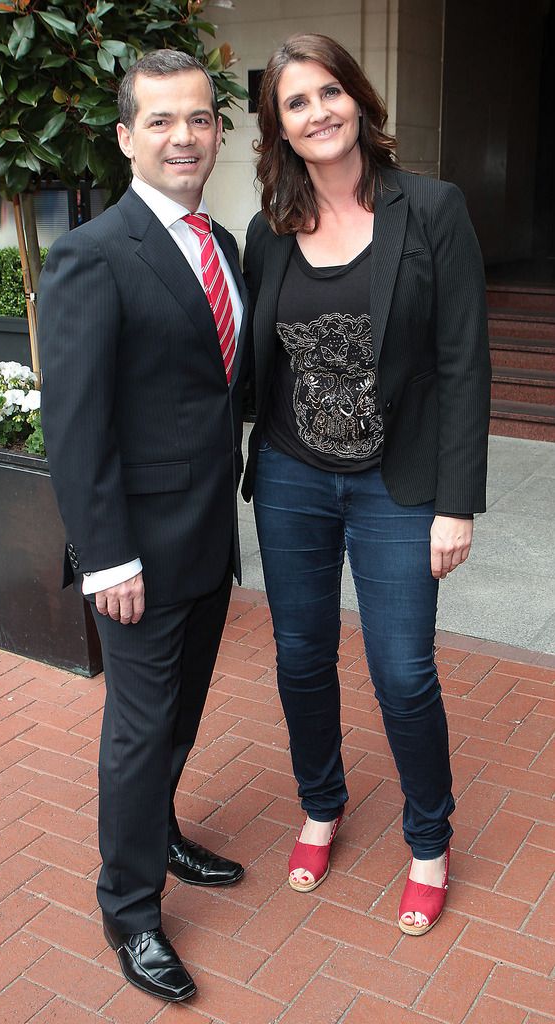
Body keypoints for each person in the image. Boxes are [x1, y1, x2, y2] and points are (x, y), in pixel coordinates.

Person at [242, 34, 491, 936]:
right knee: (301, 657)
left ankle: (430, 839)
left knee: (401, 671)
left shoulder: (432, 209)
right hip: (290, 476)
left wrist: (455, 501)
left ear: (359, 97)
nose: (318, 112)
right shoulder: (267, 232)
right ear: (279, 127)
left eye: (329, 92)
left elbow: (464, 362)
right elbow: (248, 366)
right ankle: (323, 802)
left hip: (400, 483)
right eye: (295, 102)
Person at [39, 50, 249, 1001]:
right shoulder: (92, 252)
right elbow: (75, 425)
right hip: (138, 553)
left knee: (182, 714)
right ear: (127, 137)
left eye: (199, 119)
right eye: (161, 121)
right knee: (139, 727)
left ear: (217, 131)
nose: (184, 137)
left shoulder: (224, 245)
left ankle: (159, 833)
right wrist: (105, 556)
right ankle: (128, 907)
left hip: (208, 541)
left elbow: (215, 392)